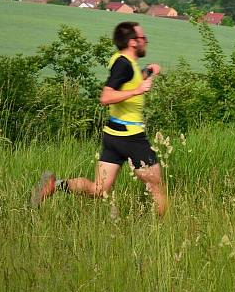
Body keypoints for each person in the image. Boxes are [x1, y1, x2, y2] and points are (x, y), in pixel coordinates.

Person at [31, 21, 167, 216]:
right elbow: (106, 97)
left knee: (99, 189)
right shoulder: (124, 65)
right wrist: (139, 89)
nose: (146, 41)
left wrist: (147, 73)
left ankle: (55, 185)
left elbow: (126, 83)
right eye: (143, 38)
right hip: (131, 137)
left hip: (113, 135)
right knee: (157, 188)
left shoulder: (123, 62)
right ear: (133, 42)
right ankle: (163, 233)